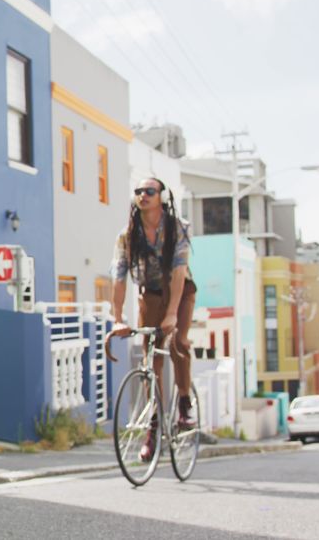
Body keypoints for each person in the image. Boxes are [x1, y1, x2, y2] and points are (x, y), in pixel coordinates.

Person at [107, 177, 197, 461]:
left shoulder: (177, 228)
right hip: (150, 294)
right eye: (138, 191)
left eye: (149, 191)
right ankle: (153, 427)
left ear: (162, 197)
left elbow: (179, 272)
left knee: (178, 343)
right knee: (150, 358)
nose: (142, 195)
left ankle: (184, 404)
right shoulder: (127, 235)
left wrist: (172, 313)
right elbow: (119, 278)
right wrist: (118, 318)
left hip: (179, 293)